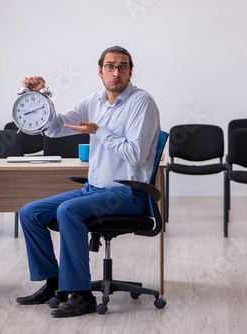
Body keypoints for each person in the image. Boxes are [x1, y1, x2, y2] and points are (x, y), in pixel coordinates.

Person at [15, 46, 160, 318]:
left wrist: (99, 131)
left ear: (130, 71)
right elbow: (56, 127)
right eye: (110, 66)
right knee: (30, 212)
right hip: (93, 190)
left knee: (68, 211)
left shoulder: (142, 102)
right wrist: (38, 97)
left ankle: (82, 296)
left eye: (122, 66)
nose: (116, 72)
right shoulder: (94, 101)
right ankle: (54, 284)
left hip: (129, 194)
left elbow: (136, 155)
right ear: (100, 71)